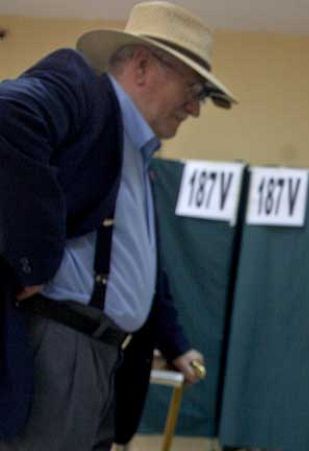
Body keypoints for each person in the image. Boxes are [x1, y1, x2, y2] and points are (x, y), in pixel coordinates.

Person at [0, 1, 235, 449]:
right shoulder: (81, 90)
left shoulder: (139, 154)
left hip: (103, 358)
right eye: (193, 89)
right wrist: (33, 261)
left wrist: (176, 343)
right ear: (143, 66)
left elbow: (142, 266)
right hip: (59, 348)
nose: (195, 108)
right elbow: (9, 116)